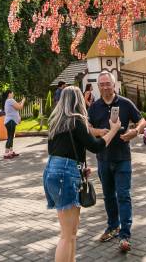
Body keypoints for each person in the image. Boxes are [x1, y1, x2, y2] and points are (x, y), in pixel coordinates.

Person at [45, 85, 121, 262]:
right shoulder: (76, 120)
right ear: (79, 100)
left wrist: (79, 167)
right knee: (66, 234)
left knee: (71, 232)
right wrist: (114, 130)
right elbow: (95, 146)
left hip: (54, 171)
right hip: (65, 174)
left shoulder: (56, 122)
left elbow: (57, 150)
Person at [88, 70, 146, 253]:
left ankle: (125, 235)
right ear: (98, 87)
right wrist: (98, 132)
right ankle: (112, 226)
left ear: (114, 85)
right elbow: (87, 127)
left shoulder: (125, 103)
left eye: (108, 84)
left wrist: (135, 131)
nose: (105, 87)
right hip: (103, 159)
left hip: (122, 159)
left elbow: (142, 120)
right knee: (108, 196)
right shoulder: (94, 107)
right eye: (102, 84)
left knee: (123, 195)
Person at [2, 89, 24, 159]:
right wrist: (23, 101)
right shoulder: (10, 100)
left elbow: (16, 106)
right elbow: (20, 107)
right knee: (10, 137)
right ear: (9, 94)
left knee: (11, 137)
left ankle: (11, 152)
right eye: (12, 93)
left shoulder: (8, 101)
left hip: (9, 121)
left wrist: (20, 102)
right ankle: (6, 153)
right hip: (10, 121)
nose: (13, 94)